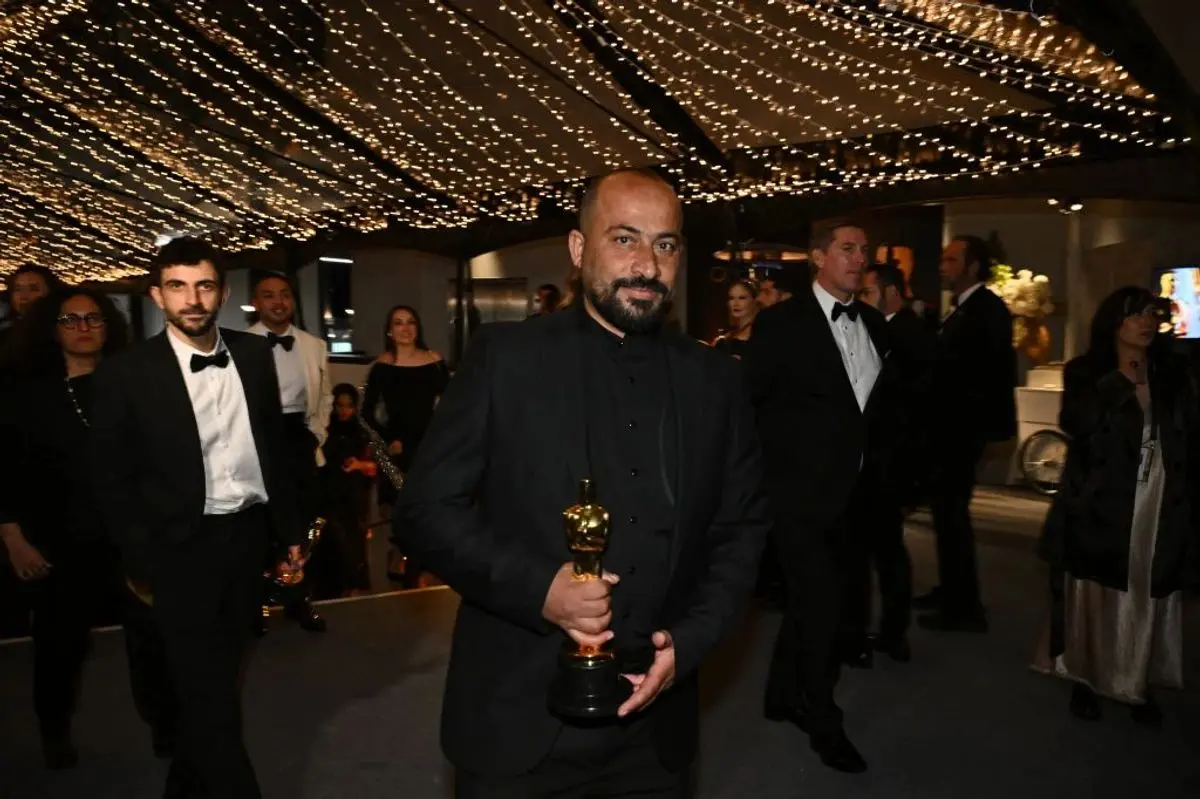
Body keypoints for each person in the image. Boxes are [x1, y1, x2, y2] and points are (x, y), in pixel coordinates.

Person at [395, 168, 769, 798]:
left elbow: (742, 528)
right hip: (516, 721)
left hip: (655, 731)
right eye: (624, 239)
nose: (647, 265)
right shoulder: (504, 359)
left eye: (665, 244)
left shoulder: (716, 380)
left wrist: (691, 642)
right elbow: (425, 511)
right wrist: (540, 590)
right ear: (578, 248)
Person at [88, 237, 305, 799]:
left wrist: (288, 531)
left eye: (204, 285)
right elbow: (111, 479)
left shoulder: (253, 355)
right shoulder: (126, 372)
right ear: (157, 295)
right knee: (204, 683)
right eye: (178, 287)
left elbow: (273, 448)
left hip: (246, 537)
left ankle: (183, 786)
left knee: (221, 675)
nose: (193, 299)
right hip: (178, 548)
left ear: (223, 293)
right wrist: (143, 558)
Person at [743, 220, 897, 774]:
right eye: (847, 248)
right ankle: (822, 717)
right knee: (824, 606)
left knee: (820, 603)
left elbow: (876, 414)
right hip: (798, 498)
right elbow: (750, 408)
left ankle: (781, 693)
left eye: (864, 250)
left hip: (856, 497)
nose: (859, 258)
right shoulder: (780, 323)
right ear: (817, 256)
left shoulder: (874, 324)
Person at [1033, 287, 1198, 724]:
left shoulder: (1172, 371)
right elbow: (1077, 422)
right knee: (1096, 590)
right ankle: (1085, 676)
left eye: (1152, 314)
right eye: (1136, 315)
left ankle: (1137, 680)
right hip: (1102, 498)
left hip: (1159, 495)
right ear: (1114, 322)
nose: (1147, 322)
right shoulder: (1087, 371)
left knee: (1148, 586)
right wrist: (1121, 381)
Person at [0, 288, 131, 768]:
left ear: (108, 327)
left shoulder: (131, 386)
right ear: (52, 330)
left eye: (93, 319)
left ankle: (168, 729)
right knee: (59, 647)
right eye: (70, 320)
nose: (83, 328)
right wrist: (13, 539)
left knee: (153, 641)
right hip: (57, 543)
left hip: (128, 539)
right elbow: (6, 472)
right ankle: (54, 732)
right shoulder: (27, 395)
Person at [916, 235, 1017, 632]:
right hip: (950, 428)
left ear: (972, 266)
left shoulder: (986, 309)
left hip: (961, 429)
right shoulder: (963, 308)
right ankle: (952, 590)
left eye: (951, 260)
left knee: (952, 514)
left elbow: (980, 372)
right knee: (946, 513)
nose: (942, 266)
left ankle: (963, 606)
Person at [850, 262, 937, 661]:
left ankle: (884, 632)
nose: (861, 301)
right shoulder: (887, 330)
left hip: (890, 460)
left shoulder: (905, 334)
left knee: (881, 551)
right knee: (881, 550)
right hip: (882, 459)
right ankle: (885, 632)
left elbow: (909, 404)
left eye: (867, 293)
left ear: (890, 293)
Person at [248, 270, 331, 633]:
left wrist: (316, 434)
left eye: (284, 294)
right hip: (256, 438)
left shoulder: (314, 345)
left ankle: (299, 599)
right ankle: (255, 604)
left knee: (303, 522)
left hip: (298, 435)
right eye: (269, 295)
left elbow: (325, 396)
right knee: (260, 522)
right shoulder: (237, 344)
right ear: (256, 302)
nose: (278, 301)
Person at [362, 304, 448, 588]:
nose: (405, 328)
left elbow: (451, 404)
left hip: (431, 445)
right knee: (404, 510)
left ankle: (421, 565)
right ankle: (405, 562)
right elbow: (366, 413)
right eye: (398, 323)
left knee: (429, 508)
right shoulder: (383, 366)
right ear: (389, 331)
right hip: (399, 449)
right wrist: (389, 440)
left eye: (410, 321)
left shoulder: (434, 359)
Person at [318, 384, 375, 597]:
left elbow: (378, 467)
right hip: (328, 498)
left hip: (353, 500)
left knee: (352, 552)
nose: (344, 411)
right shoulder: (324, 431)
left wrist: (358, 465)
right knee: (332, 551)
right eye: (340, 405)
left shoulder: (363, 434)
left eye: (348, 406)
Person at [710, 278, 758, 358]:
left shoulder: (761, 336)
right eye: (731, 298)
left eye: (742, 298)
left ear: (754, 301)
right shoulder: (723, 340)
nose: (736, 303)